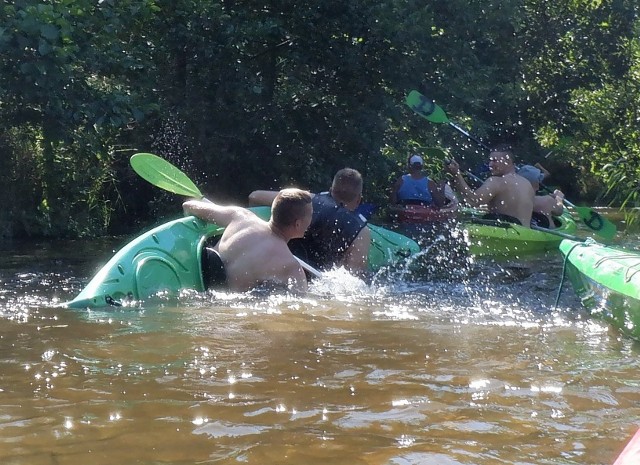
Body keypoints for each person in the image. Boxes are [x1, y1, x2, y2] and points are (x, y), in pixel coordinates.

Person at [183, 188, 313, 292]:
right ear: (298, 224)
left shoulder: (240, 216)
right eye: (311, 215)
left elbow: (189, 205)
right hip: (228, 311)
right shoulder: (292, 267)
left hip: (198, 286)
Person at [249, 168, 371, 274]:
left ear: (331, 190)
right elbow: (354, 276)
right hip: (315, 283)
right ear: (359, 199)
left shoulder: (306, 200)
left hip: (276, 265)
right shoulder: (361, 231)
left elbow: (254, 196)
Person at [445, 145, 535, 227]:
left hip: (503, 235)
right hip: (524, 236)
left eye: (495, 161)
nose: (490, 165)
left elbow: (472, 201)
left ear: (507, 161)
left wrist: (456, 174)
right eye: (490, 161)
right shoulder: (527, 184)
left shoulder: (497, 181)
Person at [517, 164, 565, 229]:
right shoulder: (547, 200)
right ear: (537, 185)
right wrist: (559, 198)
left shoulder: (511, 201)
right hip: (547, 235)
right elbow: (559, 211)